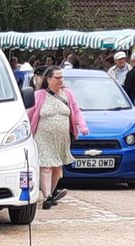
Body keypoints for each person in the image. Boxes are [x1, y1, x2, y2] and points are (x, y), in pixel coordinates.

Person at [27, 67, 89, 210]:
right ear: (48, 79)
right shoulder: (39, 95)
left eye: (62, 77)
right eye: (58, 78)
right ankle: (47, 196)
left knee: (57, 166)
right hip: (43, 137)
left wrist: (82, 126)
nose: (61, 80)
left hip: (62, 138)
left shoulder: (68, 94)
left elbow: (76, 110)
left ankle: (51, 194)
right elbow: (30, 113)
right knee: (46, 166)